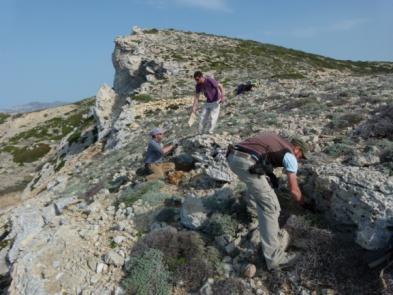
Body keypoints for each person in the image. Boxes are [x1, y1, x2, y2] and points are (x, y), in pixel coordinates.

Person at [226, 132, 308, 270]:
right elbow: (294, 191)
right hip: (246, 161)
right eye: (301, 156)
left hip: (233, 157)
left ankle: (254, 218)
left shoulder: (274, 139)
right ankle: (275, 259)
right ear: (297, 149)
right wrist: (306, 204)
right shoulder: (290, 155)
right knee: (271, 206)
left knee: (259, 189)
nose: (299, 160)